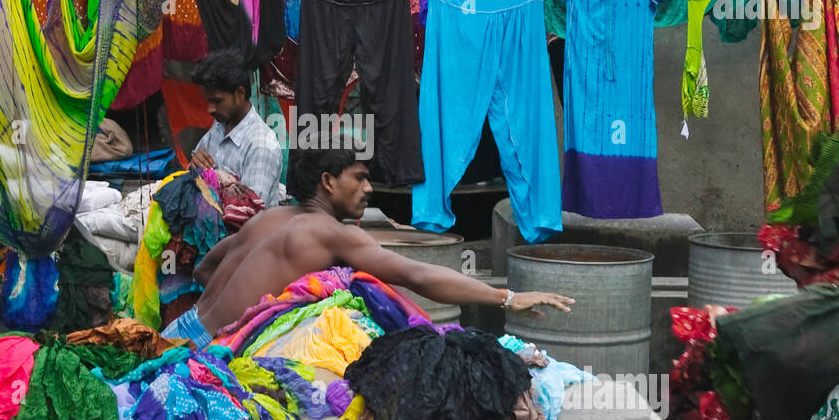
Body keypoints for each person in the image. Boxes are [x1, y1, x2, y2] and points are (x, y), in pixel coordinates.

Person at [160, 147, 574, 347]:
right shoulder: (332, 232)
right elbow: (419, 275)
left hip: (179, 333)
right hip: (208, 355)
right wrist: (506, 296)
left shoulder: (269, 217)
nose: (369, 188)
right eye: (358, 178)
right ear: (327, 182)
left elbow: (203, 270)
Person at [187, 49, 283, 206]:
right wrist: (194, 166)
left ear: (240, 93)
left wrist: (216, 180)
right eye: (208, 101)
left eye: (217, 101)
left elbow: (250, 213)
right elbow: (194, 170)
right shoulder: (220, 125)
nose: (209, 109)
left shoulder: (261, 146)